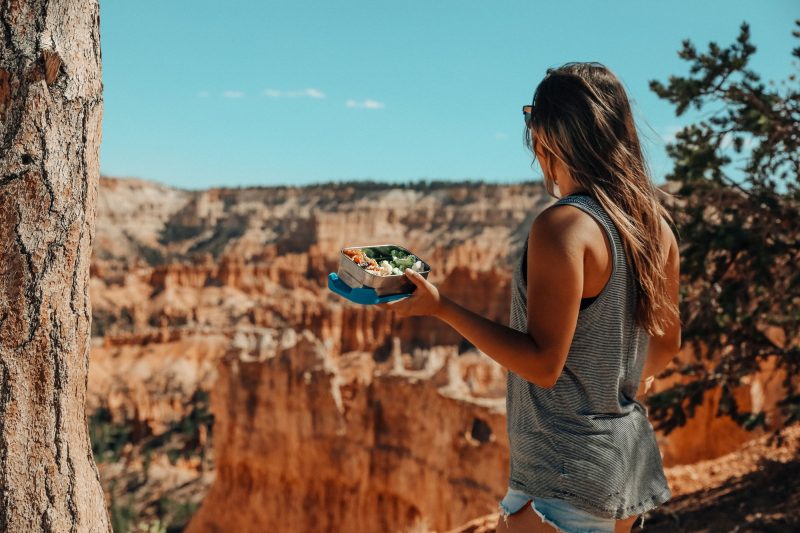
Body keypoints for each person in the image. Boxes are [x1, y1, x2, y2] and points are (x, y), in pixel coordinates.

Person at [376, 61, 681, 533]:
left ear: (549, 136)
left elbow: (543, 364)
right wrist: (614, 377)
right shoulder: (655, 228)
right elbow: (665, 347)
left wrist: (441, 307)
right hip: (626, 469)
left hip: (564, 480)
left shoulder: (564, 226)